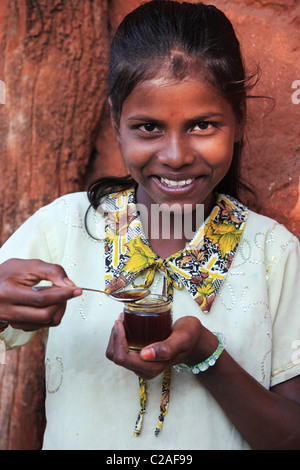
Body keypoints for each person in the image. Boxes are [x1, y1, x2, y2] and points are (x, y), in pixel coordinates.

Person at [0, 0, 299, 450]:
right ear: (117, 122)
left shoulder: (275, 254)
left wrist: (207, 355)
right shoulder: (64, 228)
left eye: (203, 124)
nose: (176, 155)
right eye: (148, 128)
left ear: (238, 121)